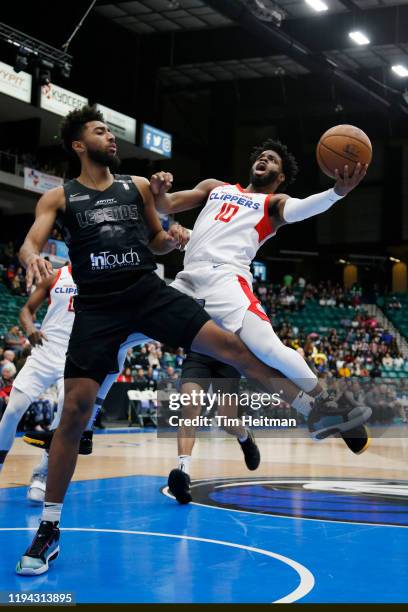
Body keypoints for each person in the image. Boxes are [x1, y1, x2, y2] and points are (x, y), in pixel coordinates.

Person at [15, 106, 312, 575]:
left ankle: (312, 407)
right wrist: (32, 256)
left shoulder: (134, 186)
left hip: (147, 293)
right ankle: (50, 526)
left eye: (111, 132)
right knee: (74, 411)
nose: (110, 138)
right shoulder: (59, 197)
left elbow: (155, 239)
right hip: (98, 309)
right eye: (99, 131)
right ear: (78, 144)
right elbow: (31, 242)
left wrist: (170, 239)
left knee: (235, 346)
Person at [150, 139, 371, 497]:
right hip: (188, 279)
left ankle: (328, 406)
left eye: (272, 161)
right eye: (261, 156)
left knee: (267, 350)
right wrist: (158, 192)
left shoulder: (272, 204)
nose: (264, 160)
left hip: (227, 280)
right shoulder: (214, 188)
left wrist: (336, 193)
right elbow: (167, 204)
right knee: (131, 325)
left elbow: (302, 208)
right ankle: (82, 415)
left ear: (280, 176)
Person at [0, 264, 148, 503]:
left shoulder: (103, 279)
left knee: (64, 412)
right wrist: (30, 330)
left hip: (74, 357)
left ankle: (41, 475)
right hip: (43, 351)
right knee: (12, 410)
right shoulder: (55, 275)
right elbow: (27, 310)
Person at [168, 351, 260, 504]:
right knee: (190, 406)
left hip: (227, 354)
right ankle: (183, 474)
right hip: (197, 353)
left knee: (227, 421)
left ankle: (245, 436)